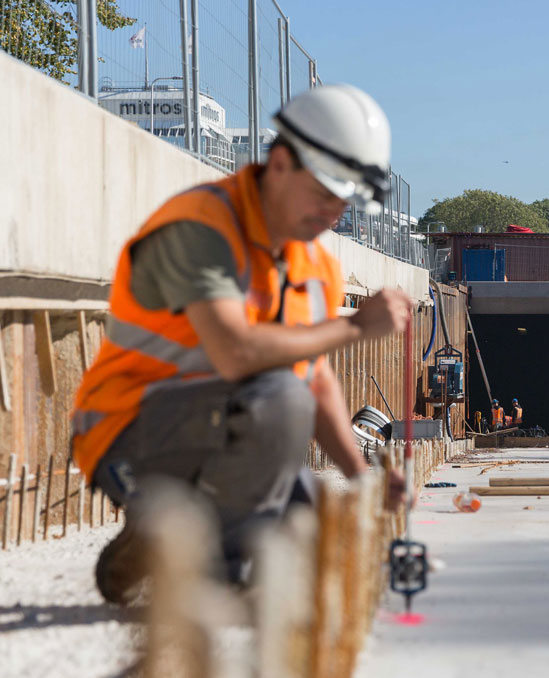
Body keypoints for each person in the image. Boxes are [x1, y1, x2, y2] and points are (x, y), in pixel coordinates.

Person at [72, 84, 412, 604]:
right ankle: (213, 576)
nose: (333, 213)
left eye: (343, 201)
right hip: (128, 431)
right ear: (279, 163)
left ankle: (154, 543)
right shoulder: (200, 227)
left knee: (304, 521)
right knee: (280, 405)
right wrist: (357, 327)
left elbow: (315, 379)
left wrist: (363, 477)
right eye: (324, 192)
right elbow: (236, 352)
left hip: (220, 426)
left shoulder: (315, 265)